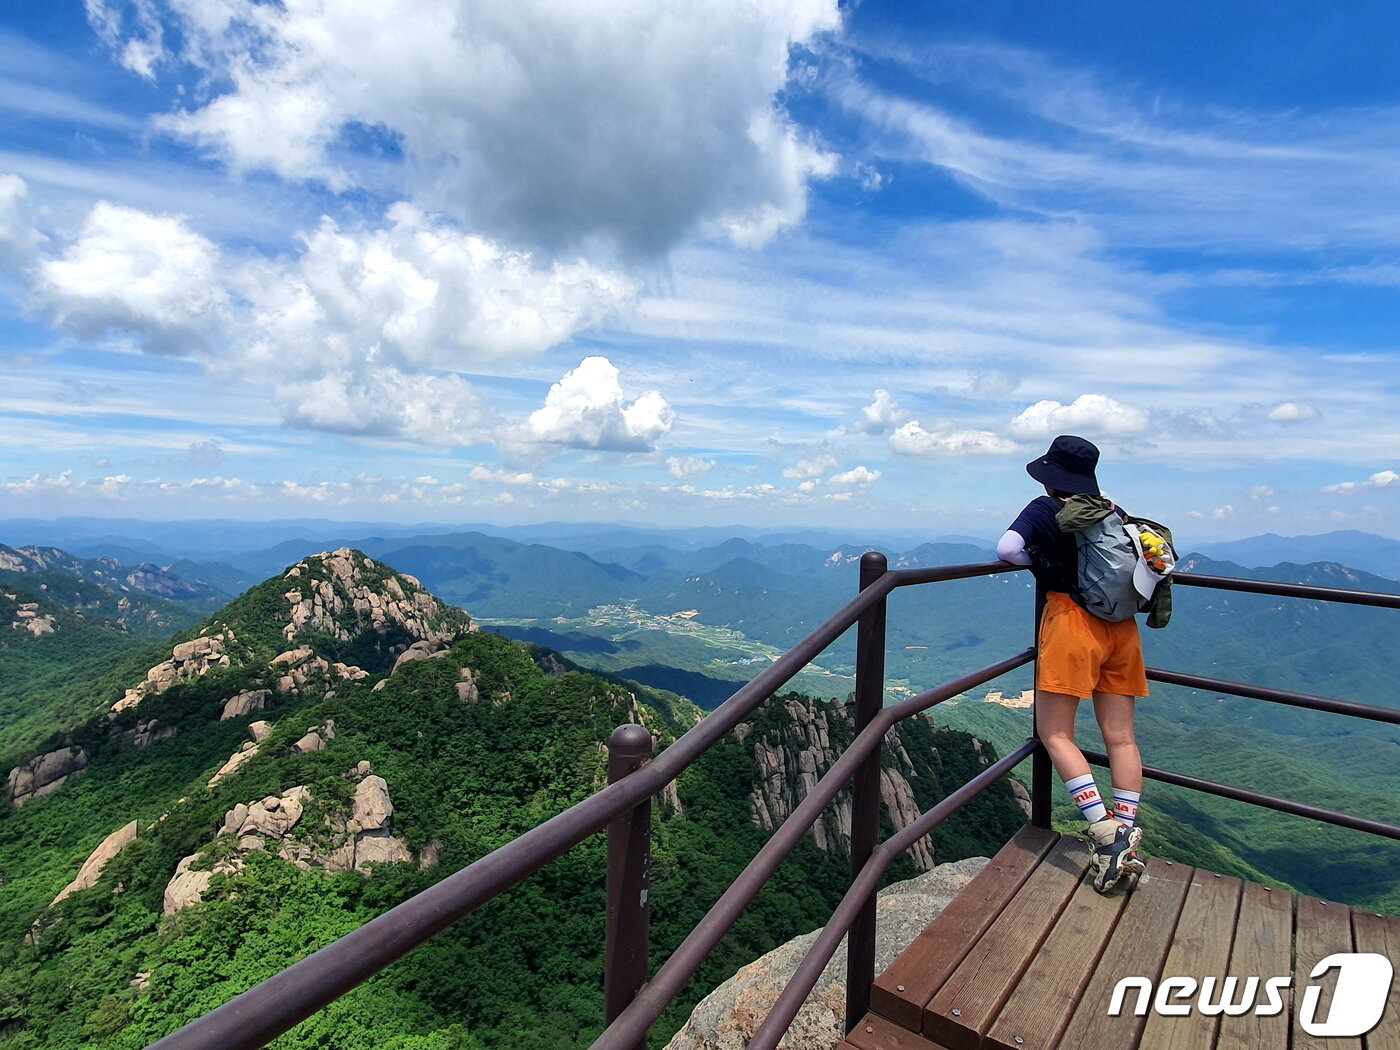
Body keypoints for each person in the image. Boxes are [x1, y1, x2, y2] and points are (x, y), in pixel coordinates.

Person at [996, 434, 1148, 893]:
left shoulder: (1045, 509)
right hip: (1121, 628)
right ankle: (1127, 831)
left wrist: (1035, 561)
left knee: (1055, 733)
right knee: (1120, 737)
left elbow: (1006, 549)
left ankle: (1105, 833)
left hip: (1071, 623)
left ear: (1048, 477)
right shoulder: (1110, 509)